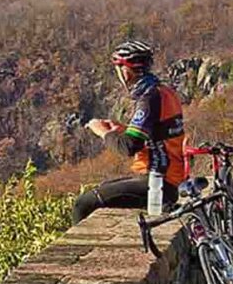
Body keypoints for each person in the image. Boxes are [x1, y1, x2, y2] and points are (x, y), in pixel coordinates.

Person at [73, 40, 186, 224]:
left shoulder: (148, 98)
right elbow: (158, 135)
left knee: (83, 204)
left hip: (158, 181)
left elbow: (129, 146)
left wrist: (102, 132)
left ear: (126, 70)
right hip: (170, 177)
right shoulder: (165, 92)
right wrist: (123, 130)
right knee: (104, 188)